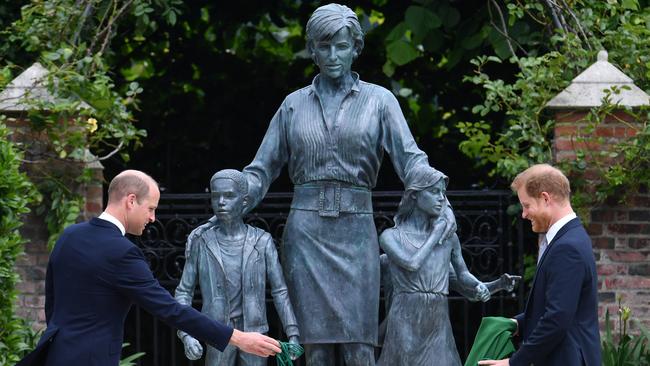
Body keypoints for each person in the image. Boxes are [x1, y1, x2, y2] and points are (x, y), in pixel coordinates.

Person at [236, 4, 455, 364]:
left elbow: (410, 159)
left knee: (359, 346)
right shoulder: (292, 105)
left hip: (356, 231)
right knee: (316, 348)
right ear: (312, 49)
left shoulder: (380, 101)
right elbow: (261, 170)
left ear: (356, 48)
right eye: (324, 46)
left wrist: (437, 193)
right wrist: (234, 194)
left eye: (341, 46)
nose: (333, 55)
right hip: (306, 235)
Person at [17, 170, 280, 366]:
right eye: (151, 208)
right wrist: (237, 338)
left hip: (54, 355)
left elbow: (52, 301)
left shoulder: (69, 236)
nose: (153, 218)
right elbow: (170, 309)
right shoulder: (122, 253)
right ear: (131, 200)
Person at [377, 166, 518, 366]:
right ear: (415, 195)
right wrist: (436, 234)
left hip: (437, 322)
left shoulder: (449, 239)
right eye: (434, 192)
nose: (441, 198)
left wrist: (491, 285)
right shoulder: (391, 236)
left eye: (443, 193)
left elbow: (463, 276)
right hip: (405, 319)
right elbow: (411, 263)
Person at [479, 164, 601, 366]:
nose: (524, 214)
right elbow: (560, 308)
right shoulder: (569, 238)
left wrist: (513, 363)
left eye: (526, 205)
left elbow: (557, 319)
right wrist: (518, 323)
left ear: (545, 198)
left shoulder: (567, 247)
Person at [175, 169, 300, 365]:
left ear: (244, 201)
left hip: (255, 333)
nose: (221, 202)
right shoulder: (201, 242)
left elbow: (280, 291)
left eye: (229, 196)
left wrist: (293, 334)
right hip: (217, 333)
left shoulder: (262, 241)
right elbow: (184, 292)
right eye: (216, 196)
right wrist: (186, 334)